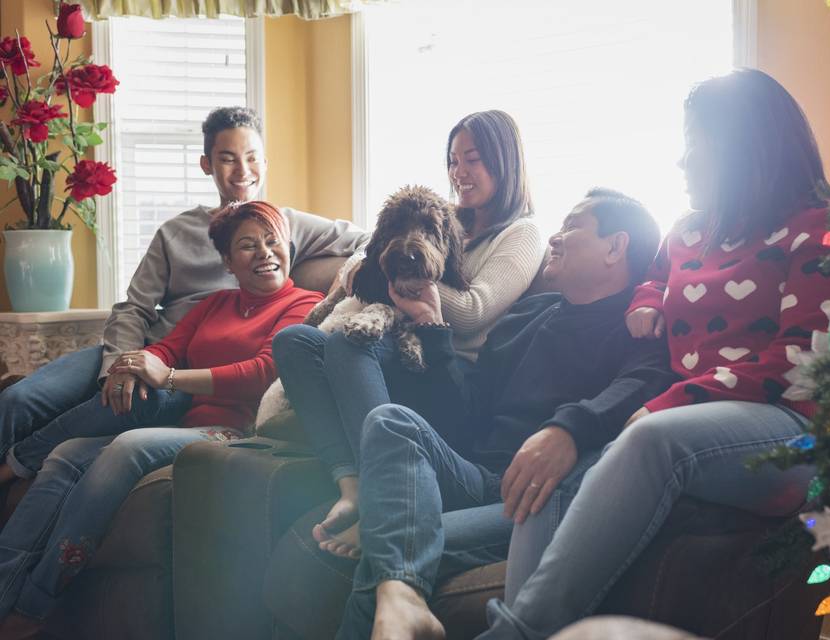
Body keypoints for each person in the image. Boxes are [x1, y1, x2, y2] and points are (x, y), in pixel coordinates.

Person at [479, 68, 830, 640]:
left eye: (694, 143)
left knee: (651, 439)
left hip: (785, 425)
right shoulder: (689, 233)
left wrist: (671, 401)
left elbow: (798, 363)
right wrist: (645, 303)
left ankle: (517, 632)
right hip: (685, 414)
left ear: (740, 147)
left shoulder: (816, 229)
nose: (682, 161)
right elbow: (655, 278)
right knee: (555, 475)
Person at [330, 188, 676, 640]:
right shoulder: (528, 314)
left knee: (387, 547)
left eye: (572, 225)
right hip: (473, 474)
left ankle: (399, 591)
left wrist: (568, 429)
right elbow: (463, 417)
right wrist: (433, 329)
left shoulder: (639, 327)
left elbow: (648, 383)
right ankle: (401, 587)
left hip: (527, 502)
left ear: (616, 247)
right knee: (389, 420)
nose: (555, 237)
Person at [0, 201, 323, 633]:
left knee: (126, 446)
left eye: (272, 241)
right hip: (181, 423)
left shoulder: (305, 303)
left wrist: (168, 376)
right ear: (228, 261)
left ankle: (34, 606)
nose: (264, 252)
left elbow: (263, 373)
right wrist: (134, 366)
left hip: (237, 433)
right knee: (65, 453)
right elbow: (168, 346)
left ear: (290, 249)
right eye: (248, 245)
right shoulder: (216, 303)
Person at [0, 106, 367, 486]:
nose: (243, 170)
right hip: (148, 346)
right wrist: (118, 367)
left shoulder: (282, 223)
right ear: (206, 164)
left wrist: (348, 274)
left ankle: (17, 466)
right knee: (17, 400)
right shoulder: (175, 232)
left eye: (252, 157)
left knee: (111, 419)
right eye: (228, 158)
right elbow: (134, 307)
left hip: (193, 371)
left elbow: (368, 239)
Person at [272, 109, 543, 555]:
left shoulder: (522, 234)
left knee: (348, 340)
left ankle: (384, 499)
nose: (460, 172)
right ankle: (352, 483)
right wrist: (372, 265)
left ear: (505, 161)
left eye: (472, 159)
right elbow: (371, 253)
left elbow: (474, 311)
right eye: (453, 160)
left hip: (445, 365)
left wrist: (395, 278)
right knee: (295, 341)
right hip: (398, 348)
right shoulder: (447, 216)